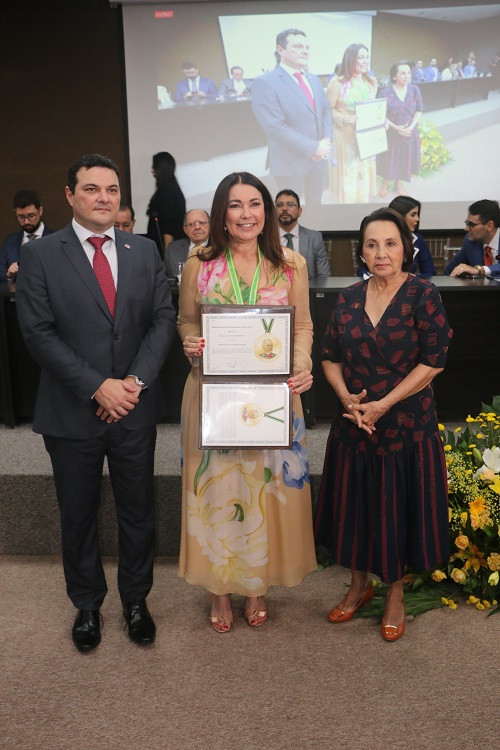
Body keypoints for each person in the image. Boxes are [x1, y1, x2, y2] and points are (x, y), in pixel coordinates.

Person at [15, 154, 177, 652]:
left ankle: (135, 600)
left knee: (138, 511)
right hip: (70, 412)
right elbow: (38, 334)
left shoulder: (144, 250)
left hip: (133, 407)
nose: (103, 197)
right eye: (91, 189)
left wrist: (131, 383)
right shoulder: (42, 256)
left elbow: (162, 319)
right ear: (70, 196)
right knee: (78, 514)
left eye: (110, 189)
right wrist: (97, 386)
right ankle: (86, 605)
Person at [177, 171, 316, 633]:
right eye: (235, 205)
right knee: (217, 486)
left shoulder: (291, 263)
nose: (246, 214)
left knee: (262, 489)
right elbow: (186, 322)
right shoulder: (199, 262)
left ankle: (256, 586)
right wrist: (192, 343)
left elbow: (302, 327)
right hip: (214, 394)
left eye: (254, 204)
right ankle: (219, 590)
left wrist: (300, 364)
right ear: (222, 212)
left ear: (268, 210)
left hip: (273, 397)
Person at [314, 207, 452, 641]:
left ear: (406, 247)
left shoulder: (423, 294)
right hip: (354, 426)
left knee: (396, 509)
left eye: (390, 243)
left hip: (405, 427)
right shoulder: (349, 297)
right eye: (371, 244)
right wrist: (346, 400)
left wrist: (384, 404)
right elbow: (328, 356)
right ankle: (358, 587)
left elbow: (434, 363)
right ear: (361, 250)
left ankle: (394, 594)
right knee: (355, 506)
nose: (381, 252)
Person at [251, 28, 333, 207]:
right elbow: (274, 127)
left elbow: (326, 110)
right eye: (298, 46)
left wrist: (326, 140)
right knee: (289, 210)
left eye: (307, 47)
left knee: (315, 202)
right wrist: (314, 148)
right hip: (290, 161)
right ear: (280, 50)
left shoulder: (313, 79)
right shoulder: (265, 83)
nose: (305, 51)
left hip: (318, 158)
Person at [326, 43, 377, 204]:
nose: (365, 61)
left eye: (367, 57)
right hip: (345, 136)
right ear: (350, 59)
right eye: (361, 57)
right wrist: (342, 119)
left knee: (362, 173)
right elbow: (326, 111)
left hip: (365, 137)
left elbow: (373, 108)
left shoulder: (370, 82)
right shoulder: (337, 83)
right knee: (348, 175)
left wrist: (381, 122)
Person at [378, 61, 423, 198]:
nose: (407, 76)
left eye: (408, 72)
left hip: (410, 133)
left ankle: (399, 184)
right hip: (392, 133)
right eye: (403, 73)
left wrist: (411, 126)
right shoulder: (385, 92)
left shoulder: (414, 89)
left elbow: (419, 109)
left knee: (404, 159)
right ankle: (385, 184)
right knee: (389, 160)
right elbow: (379, 114)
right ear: (394, 76)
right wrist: (396, 128)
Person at [0, 189, 54, 282]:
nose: (26, 221)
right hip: (16, 296)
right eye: (21, 217)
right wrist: (9, 276)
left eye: (31, 215)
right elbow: (1, 275)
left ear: (40, 210)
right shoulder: (9, 241)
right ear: (15, 212)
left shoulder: (56, 239)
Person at [275, 189, 330, 278]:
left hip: (307, 290)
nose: (284, 208)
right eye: (279, 205)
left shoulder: (315, 238)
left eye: (290, 205)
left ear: (299, 211)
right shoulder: (266, 238)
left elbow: (323, 276)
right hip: (275, 291)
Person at [444, 199, 500, 277]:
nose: (466, 229)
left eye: (471, 224)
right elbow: (448, 271)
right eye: (467, 223)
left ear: (489, 225)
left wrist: (479, 270)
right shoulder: (470, 241)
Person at [146, 151, 186, 256]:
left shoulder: (167, 190)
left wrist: (168, 257)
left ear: (160, 168)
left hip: (166, 250)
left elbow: (169, 226)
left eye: (154, 166)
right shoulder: (171, 187)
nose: (152, 170)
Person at [164, 208, 210, 277]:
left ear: (210, 226)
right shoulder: (173, 249)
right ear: (185, 230)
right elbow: (164, 278)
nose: (197, 227)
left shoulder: (221, 247)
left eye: (202, 223)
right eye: (191, 224)